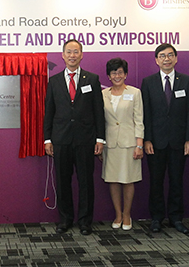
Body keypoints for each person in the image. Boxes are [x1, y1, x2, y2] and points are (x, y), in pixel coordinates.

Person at [44, 39, 105, 235]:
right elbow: (49, 112)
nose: (72, 55)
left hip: (85, 140)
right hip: (61, 139)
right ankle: (65, 219)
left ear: (82, 54)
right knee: (62, 181)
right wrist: (47, 139)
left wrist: (100, 139)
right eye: (68, 52)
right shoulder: (53, 81)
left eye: (76, 52)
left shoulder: (92, 79)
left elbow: (98, 112)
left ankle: (85, 222)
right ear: (62, 55)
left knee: (86, 182)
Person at [141, 43, 189, 234]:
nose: (166, 59)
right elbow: (145, 113)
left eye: (170, 55)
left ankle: (176, 217)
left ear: (176, 58)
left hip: (178, 142)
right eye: (162, 56)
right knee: (155, 181)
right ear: (156, 60)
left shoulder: (187, 81)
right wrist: (146, 139)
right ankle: (156, 218)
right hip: (155, 142)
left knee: (176, 181)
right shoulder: (148, 82)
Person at [101, 58, 143, 231]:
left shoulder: (134, 93)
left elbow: (139, 119)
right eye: (113, 73)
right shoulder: (103, 94)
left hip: (129, 143)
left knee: (128, 180)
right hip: (110, 143)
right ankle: (118, 214)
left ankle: (127, 214)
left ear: (125, 74)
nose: (117, 76)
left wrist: (139, 144)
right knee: (113, 180)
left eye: (120, 72)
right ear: (109, 76)